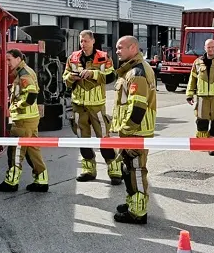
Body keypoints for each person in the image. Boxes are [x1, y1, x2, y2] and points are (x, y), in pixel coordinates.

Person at [62, 30, 123, 184]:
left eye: (86, 41)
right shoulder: (73, 57)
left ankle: (115, 170)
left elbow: (111, 76)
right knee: (82, 139)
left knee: (104, 138)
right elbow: (65, 76)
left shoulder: (103, 57)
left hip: (96, 106)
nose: (83, 44)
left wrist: (94, 74)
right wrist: (70, 77)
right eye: (81, 41)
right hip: (78, 105)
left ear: (93, 41)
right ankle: (88, 170)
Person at [110, 36, 157, 225]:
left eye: (120, 47)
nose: (117, 51)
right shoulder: (130, 70)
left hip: (135, 132)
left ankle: (138, 212)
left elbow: (137, 108)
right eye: (116, 48)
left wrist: (125, 131)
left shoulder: (137, 72)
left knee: (136, 170)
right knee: (127, 169)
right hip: (131, 132)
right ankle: (132, 203)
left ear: (133, 47)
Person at [0, 49, 49, 192]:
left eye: (9, 59)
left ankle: (11, 182)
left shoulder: (24, 74)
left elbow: (31, 95)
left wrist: (18, 105)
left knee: (15, 150)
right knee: (32, 151)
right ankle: (41, 181)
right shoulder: (24, 71)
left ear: (18, 58)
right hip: (30, 119)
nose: (7, 63)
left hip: (23, 120)